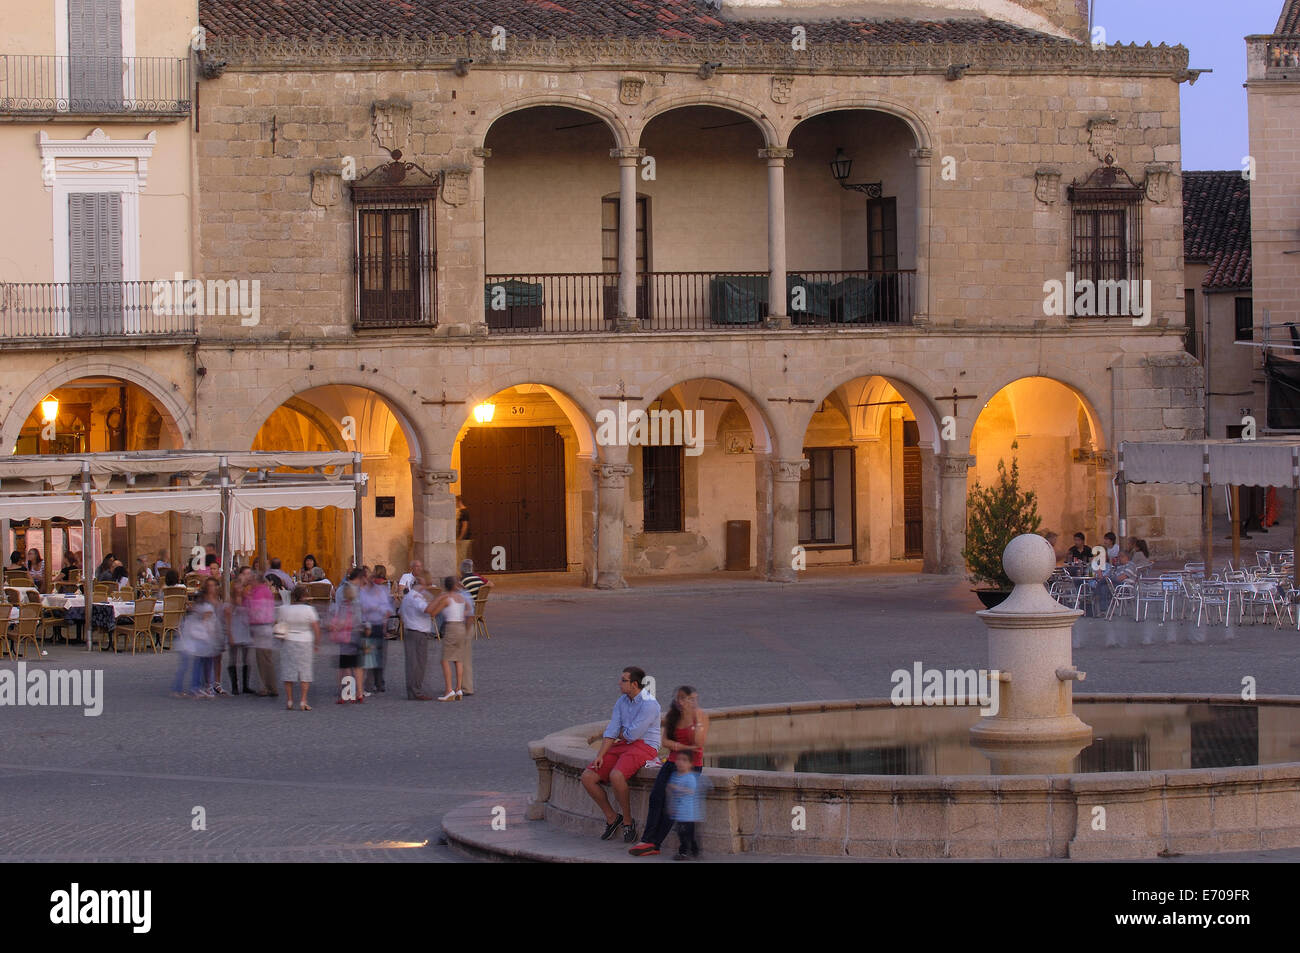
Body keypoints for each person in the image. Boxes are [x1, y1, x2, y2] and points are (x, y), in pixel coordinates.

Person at [581, 666, 661, 844]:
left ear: (634, 684)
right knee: (587, 776)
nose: (619, 683)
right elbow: (612, 730)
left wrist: (621, 733)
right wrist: (601, 754)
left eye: (623, 680)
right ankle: (611, 817)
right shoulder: (621, 701)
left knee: (616, 775)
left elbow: (634, 734)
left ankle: (627, 821)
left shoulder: (650, 704)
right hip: (625, 744)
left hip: (646, 745)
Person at [631, 685, 709, 857]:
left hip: (691, 766)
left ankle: (656, 843)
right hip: (672, 761)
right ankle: (647, 839)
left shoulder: (700, 716)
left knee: (672, 804)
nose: (682, 702)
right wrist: (679, 746)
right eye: (680, 698)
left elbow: (699, 743)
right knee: (656, 796)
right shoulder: (672, 716)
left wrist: (695, 717)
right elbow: (664, 740)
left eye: (687, 699)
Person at [277, 585, 321, 711]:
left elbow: (279, 624)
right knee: (305, 671)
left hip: (289, 640)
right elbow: (316, 628)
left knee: (288, 671)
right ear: (304, 596)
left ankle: (290, 700)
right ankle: (303, 700)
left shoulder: (284, 609)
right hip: (305, 640)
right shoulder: (309, 610)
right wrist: (317, 644)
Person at [430, 577, 472, 701]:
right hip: (461, 627)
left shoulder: (446, 598)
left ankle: (449, 690)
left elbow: (433, 613)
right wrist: (462, 614)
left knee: (445, 659)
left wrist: (437, 599)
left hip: (451, 627)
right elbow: (469, 609)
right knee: (458, 659)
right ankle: (458, 688)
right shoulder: (462, 597)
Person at [399, 576, 438, 700]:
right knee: (418, 663)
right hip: (417, 632)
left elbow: (400, 612)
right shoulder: (416, 597)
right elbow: (427, 610)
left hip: (411, 630)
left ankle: (413, 690)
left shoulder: (409, 596)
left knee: (413, 662)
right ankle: (416, 691)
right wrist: (440, 600)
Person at [359, 565, 394, 693]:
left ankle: (379, 682)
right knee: (368, 655)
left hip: (379, 625)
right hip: (367, 626)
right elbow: (363, 608)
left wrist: (383, 614)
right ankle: (366, 684)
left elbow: (387, 608)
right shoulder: (362, 592)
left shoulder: (381, 590)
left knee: (380, 656)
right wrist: (375, 608)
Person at [330, 581, 366, 704]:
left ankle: (347, 693)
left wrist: (338, 626)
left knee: (346, 666)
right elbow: (359, 620)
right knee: (357, 666)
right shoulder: (357, 605)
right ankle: (359, 693)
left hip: (346, 637)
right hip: (357, 636)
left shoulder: (343, 605)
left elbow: (339, 620)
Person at [666, 749, 704, 861]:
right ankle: (691, 850)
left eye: (684, 760)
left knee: (687, 834)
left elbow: (691, 791)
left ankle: (685, 852)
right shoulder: (675, 775)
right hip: (678, 813)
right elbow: (670, 792)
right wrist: (671, 806)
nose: (681, 762)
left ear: (690, 764)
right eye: (679, 759)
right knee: (681, 833)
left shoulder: (690, 777)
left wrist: (676, 788)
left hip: (688, 814)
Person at [245, 571, 278, 697]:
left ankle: (265, 687)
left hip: (260, 627)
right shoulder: (267, 591)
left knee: (262, 659)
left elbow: (255, 610)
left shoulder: (258, 592)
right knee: (267, 659)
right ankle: (271, 686)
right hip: (268, 627)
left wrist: (247, 599)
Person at [226, 567, 255, 694]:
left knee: (246, 658)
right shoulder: (230, 604)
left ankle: (245, 685)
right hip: (235, 630)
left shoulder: (246, 599)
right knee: (233, 658)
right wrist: (230, 635)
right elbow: (228, 620)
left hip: (244, 629)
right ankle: (234, 686)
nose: (239, 590)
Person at [455, 496, 472, 565]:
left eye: (455, 501)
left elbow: (464, 526)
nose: (455, 503)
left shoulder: (464, 512)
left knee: (462, 558)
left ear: (459, 501)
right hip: (462, 539)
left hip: (464, 539)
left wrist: (460, 538)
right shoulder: (461, 511)